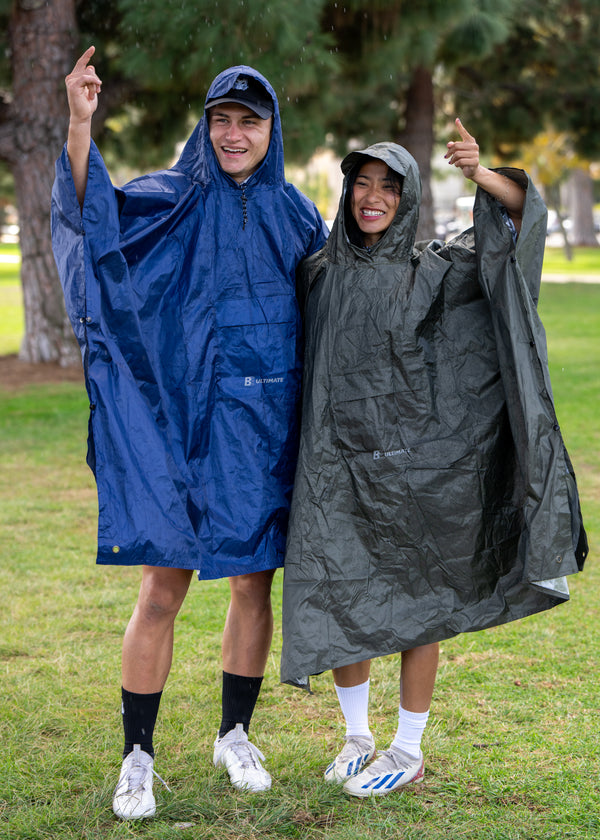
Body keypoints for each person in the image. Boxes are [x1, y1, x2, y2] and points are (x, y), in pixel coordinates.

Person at [51, 46, 327, 819]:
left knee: (252, 584)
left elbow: (342, 310)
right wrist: (81, 122)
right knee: (162, 586)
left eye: (250, 120)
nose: (234, 134)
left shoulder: (298, 215)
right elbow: (90, 215)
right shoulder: (170, 198)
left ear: (273, 129)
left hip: (261, 433)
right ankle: (138, 753)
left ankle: (233, 734)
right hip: (181, 429)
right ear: (204, 127)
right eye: (221, 120)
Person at [280, 120, 587, 797]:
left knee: (423, 599)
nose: (372, 197)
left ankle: (407, 746)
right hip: (337, 469)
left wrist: (479, 173)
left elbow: (515, 225)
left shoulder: (437, 271)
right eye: (362, 183)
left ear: (408, 197)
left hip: (419, 473)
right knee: (341, 591)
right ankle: (358, 737)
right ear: (347, 191)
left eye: (388, 187)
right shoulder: (319, 275)